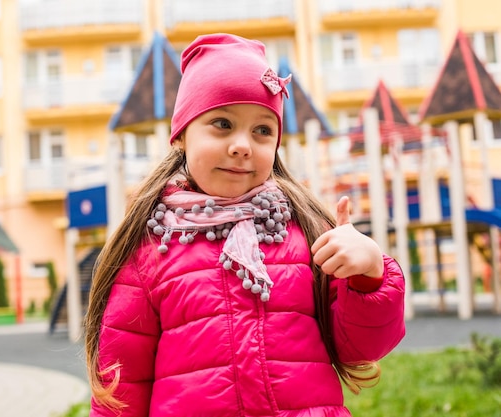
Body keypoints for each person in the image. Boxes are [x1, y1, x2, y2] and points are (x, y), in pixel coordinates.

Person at [84, 33, 406, 417]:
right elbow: (121, 387)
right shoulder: (150, 250)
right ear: (182, 136)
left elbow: (361, 347)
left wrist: (370, 274)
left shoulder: (306, 232)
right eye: (222, 124)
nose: (243, 145)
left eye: (262, 130)